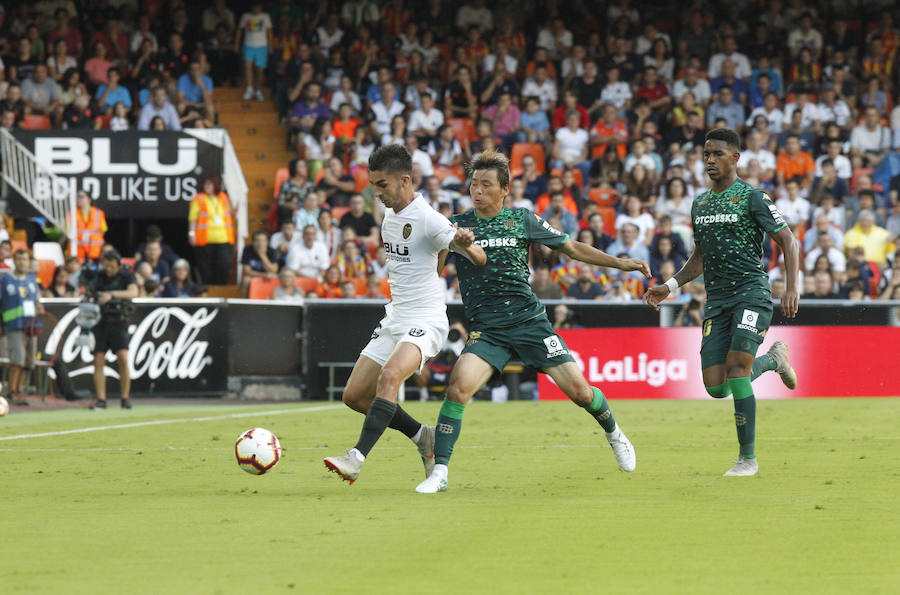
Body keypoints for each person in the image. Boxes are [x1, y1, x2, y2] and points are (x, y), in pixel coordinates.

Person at [415, 150, 649, 494]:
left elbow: (571, 247)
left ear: (504, 189)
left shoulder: (522, 219)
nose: (477, 191)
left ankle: (614, 433)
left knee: (582, 394)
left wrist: (620, 262)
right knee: (458, 388)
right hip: (488, 328)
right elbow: (435, 271)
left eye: (486, 185)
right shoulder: (456, 225)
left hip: (529, 323)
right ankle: (440, 472)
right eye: (473, 184)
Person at [322, 144, 486, 485]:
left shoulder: (429, 218)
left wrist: (465, 242)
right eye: (374, 185)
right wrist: (443, 251)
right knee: (354, 396)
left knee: (391, 376)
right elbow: (432, 258)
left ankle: (356, 458)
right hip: (395, 318)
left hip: (425, 321)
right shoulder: (390, 216)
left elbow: (478, 257)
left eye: (382, 185)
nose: (377, 193)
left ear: (405, 180)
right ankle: (422, 437)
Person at [643, 128, 800, 477]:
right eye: (706, 155)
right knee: (716, 387)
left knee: (738, 369)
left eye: (716, 154)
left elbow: (789, 241)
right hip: (717, 300)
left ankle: (747, 459)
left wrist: (791, 287)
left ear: (735, 158)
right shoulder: (700, 203)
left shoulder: (752, 197)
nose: (710, 160)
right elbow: (698, 258)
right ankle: (774, 359)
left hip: (751, 295)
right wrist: (669, 286)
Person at [86, 250, 139, 410]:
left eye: (111, 265)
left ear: (118, 264)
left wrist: (111, 294)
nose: (108, 268)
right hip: (100, 322)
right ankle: (101, 399)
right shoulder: (99, 276)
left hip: (119, 321)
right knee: (98, 360)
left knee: (123, 358)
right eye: (106, 265)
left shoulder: (126, 276)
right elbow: (89, 292)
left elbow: (133, 292)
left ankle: (125, 397)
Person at [0, 250, 40, 404]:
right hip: (13, 326)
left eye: (24, 259)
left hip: (30, 326)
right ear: (14, 261)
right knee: (18, 359)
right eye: (19, 259)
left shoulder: (32, 281)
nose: (22, 262)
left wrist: (40, 308)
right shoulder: (6, 280)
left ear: (28, 262)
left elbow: (37, 302)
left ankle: (20, 390)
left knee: (29, 361)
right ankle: (11, 391)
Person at [188, 176, 236, 285]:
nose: (207, 187)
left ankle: (220, 288)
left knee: (223, 264)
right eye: (206, 184)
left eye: (210, 184)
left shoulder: (223, 197)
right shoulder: (199, 198)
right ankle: (209, 289)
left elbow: (228, 214)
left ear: (216, 185)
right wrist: (191, 234)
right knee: (206, 267)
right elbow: (192, 218)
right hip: (205, 239)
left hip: (223, 238)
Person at [235, 1, 272, 101]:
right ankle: (249, 88)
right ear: (251, 7)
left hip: (262, 46)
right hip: (248, 45)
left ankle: (258, 90)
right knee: (247, 67)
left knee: (260, 70)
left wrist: (270, 46)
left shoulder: (265, 16)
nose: (256, 9)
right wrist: (237, 44)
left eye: (258, 7)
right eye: (255, 7)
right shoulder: (245, 16)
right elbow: (239, 30)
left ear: (261, 7)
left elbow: (269, 32)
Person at [71, 190, 107, 262]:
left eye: (81, 197)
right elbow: (67, 233)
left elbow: (103, 231)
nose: (78, 199)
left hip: (95, 254)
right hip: (77, 255)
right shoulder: (72, 214)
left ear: (89, 199)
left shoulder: (98, 213)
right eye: (77, 197)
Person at [240, 230, 279, 295]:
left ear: (267, 242)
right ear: (252, 242)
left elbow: (274, 270)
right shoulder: (247, 249)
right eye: (257, 240)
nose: (260, 243)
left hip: (270, 276)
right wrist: (264, 275)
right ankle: (245, 302)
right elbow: (247, 271)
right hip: (254, 276)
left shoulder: (272, 251)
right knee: (246, 280)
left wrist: (262, 255)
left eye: (263, 241)